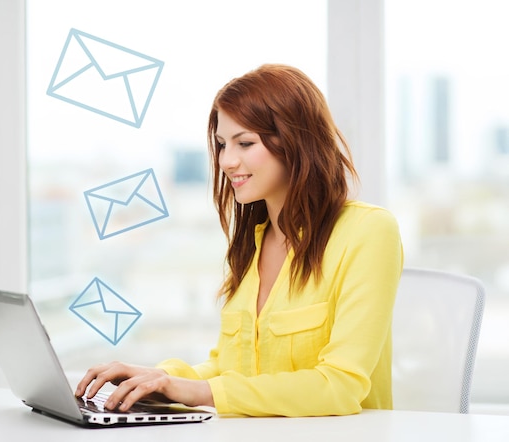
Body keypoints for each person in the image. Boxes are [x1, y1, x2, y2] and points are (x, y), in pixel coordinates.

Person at [75, 64, 404, 417]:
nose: (227, 161)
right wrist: (159, 379)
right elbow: (229, 371)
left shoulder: (369, 232)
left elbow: (340, 385)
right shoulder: (254, 243)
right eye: (221, 144)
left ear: (296, 140)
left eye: (245, 143)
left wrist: (196, 391)